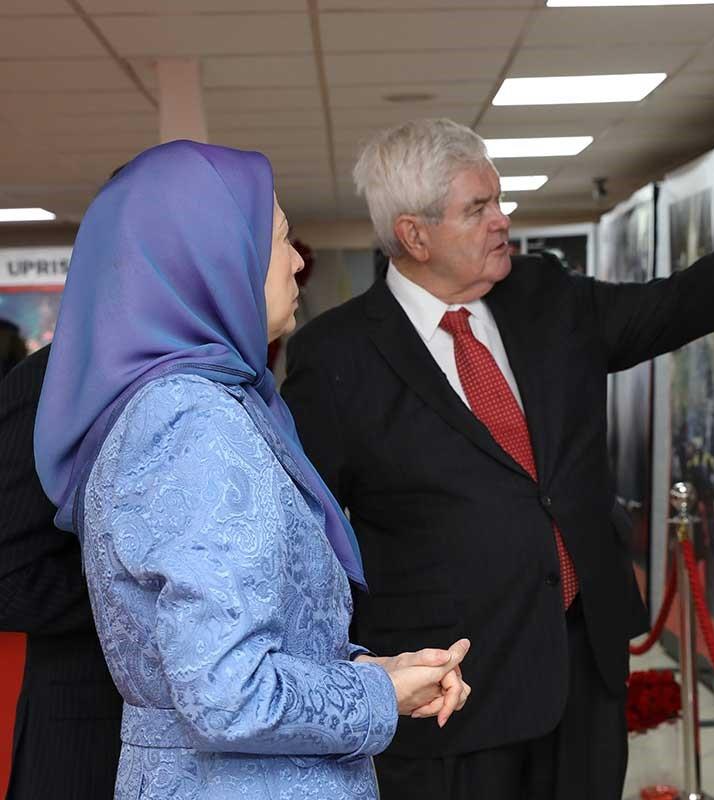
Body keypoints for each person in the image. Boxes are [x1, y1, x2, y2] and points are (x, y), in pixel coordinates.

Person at [282, 117, 714, 799]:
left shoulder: (545, 295)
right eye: (479, 209)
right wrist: (350, 672)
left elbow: (672, 306)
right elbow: (308, 531)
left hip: (583, 666)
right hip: (454, 693)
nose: (503, 221)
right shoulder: (338, 356)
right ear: (414, 234)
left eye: (497, 200)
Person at [32, 140, 473, 800]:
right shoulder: (192, 419)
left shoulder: (187, 402)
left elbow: (237, 646)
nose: (298, 264)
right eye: (281, 240)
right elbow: (227, 695)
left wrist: (376, 670)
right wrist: (376, 691)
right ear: (211, 258)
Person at [0, 344, 124, 799]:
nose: (295, 266)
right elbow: (7, 582)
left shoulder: (232, 375)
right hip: (86, 746)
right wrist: (142, 591)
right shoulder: (58, 379)